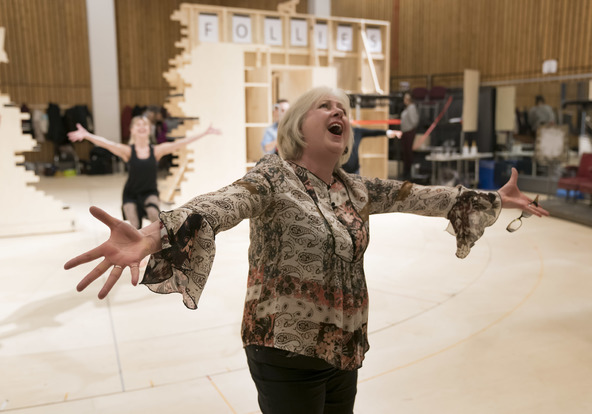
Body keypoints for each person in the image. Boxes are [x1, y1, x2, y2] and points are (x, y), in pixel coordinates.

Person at [64, 86, 548, 414]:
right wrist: (154, 233)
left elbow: (422, 195)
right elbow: (223, 203)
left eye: (343, 109)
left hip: (344, 350)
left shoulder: (355, 189)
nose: (339, 112)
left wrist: (493, 199)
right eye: (325, 107)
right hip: (285, 350)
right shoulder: (273, 177)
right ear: (298, 126)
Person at [68, 116, 221, 229]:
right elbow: (107, 144)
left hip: (150, 192)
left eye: (145, 124)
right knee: (134, 224)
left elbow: (180, 143)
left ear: (149, 130)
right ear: (132, 130)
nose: (142, 126)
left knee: (155, 215)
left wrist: (204, 133)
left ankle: (157, 249)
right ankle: (139, 252)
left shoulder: (156, 151)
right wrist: (87, 135)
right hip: (131, 194)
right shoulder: (128, 151)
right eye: (138, 124)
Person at [400, 92, 419, 179]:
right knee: (406, 153)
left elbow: (414, 121)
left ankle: (409, 173)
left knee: (409, 153)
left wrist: (409, 129)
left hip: (409, 132)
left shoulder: (411, 108)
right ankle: (406, 171)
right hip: (405, 132)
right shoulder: (407, 108)